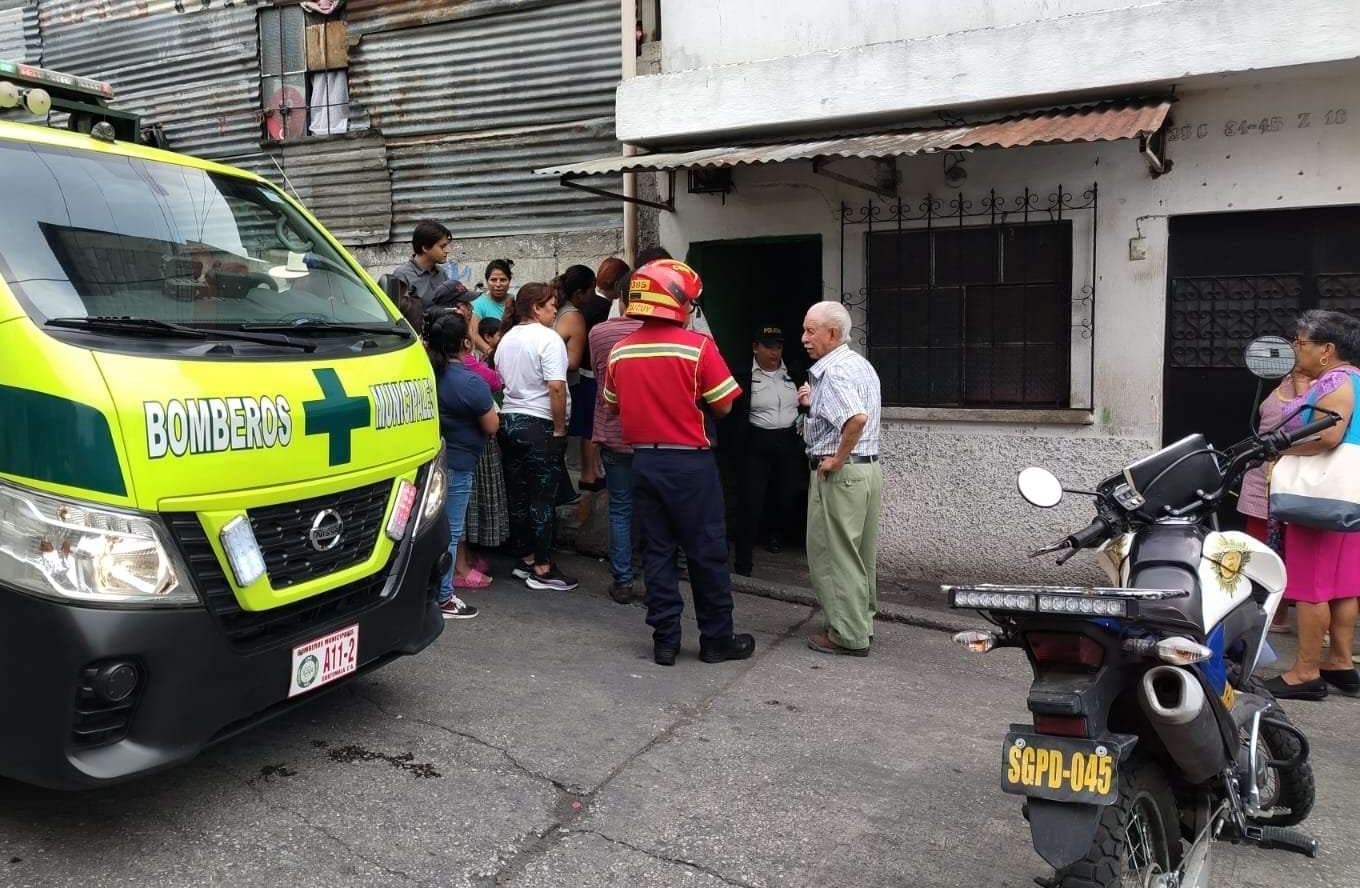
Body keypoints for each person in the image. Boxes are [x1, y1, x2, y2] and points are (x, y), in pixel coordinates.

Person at [604, 259, 754, 666]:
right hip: (691, 465)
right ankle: (716, 639)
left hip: (644, 464)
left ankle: (665, 641)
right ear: (676, 301)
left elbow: (613, 406)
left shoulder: (620, 351)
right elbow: (724, 405)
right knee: (706, 552)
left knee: (657, 552)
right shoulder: (698, 348)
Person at [1263, 310, 1360, 700]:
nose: (1295, 349)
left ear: (1327, 350)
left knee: (1311, 588)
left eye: (1301, 342)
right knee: (1343, 586)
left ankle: (1305, 671)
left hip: (1318, 497)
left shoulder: (1336, 382)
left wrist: (1280, 448)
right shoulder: (1357, 379)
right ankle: (1339, 662)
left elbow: (1329, 435)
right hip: (1347, 497)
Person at [797, 301, 882, 658]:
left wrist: (835, 459)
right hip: (867, 470)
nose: (804, 338)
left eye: (810, 330)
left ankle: (848, 634)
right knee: (859, 554)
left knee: (834, 555)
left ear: (832, 333)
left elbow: (856, 419)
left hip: (842, 472)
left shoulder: (831, 372)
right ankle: (860, 623)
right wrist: (810, 404)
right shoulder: (859, 364)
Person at [494, 282, 578, 591]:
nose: (556, 309)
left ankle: (526, 557)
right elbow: (556, 386)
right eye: (550, 304)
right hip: (539, 423)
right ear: (535, 308)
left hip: (510, 421)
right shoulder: (548, 339)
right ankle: (543, 567)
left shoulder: (506, 340)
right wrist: (559, 428)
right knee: (542, 499)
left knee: (518, 495)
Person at [426, 310, 499, 618]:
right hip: (457, 465)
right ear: (466, 342)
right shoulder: (469, 382)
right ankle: (444, 597)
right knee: (451, 532)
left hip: (430, 461)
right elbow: (492, 425)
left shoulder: (427, 374)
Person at [1237, 367, 1310, 631]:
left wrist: (1302, 386)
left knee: (1296, 553)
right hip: (1261, 476)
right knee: (1262, 552)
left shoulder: (1321, 387)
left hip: (1291, 480)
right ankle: (1269, 616)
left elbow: (1305, 423)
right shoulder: (1283, 381)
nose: (1295, 350)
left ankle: (1309, 624)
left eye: (1301, 344)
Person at [588, 260, 642, 604]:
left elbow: (598, 374)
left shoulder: (599, 333)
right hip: (653, 435)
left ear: (620, 298)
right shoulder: (666, 332)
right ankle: (653, 576)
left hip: (612, 429)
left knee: (620, 507)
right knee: (654, 508)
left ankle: (623, 579)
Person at [733, 325, 804, 577]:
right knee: (751, 499)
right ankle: (743, 559)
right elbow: (733, 412)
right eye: (768, 346)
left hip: (787, 440)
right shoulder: (743, 374)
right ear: (755, 347)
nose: (774, 352)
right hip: (756, 441)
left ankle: (775, 534)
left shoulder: (794, 372)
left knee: (786, 493)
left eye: (778, 346)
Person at [553, 265, 597, 501]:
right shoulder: (575, 316)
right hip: (566, 384)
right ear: (580, 293)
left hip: (552, 383)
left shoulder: (558, 311)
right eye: (591, 289)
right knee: (565, 436)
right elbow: (572, 362)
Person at [390, 221, 452, 307]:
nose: (447, 250)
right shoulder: (403, 276)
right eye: (442, 246)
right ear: (425, 248)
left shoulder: (441, 273)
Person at [471, 259, 514, 353]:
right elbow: (474, 334)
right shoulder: (478, 304)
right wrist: (490, 353)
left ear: (509, 281)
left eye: (503, 280)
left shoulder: (514, 302)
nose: (498, 284)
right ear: (487, 281)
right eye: (493, 280)